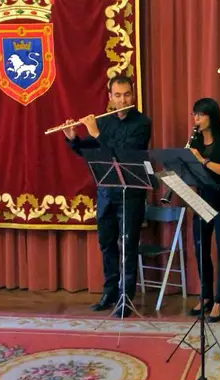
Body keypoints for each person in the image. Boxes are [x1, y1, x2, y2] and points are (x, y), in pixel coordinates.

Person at [63, 75, 152, 318]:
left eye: (127, 95)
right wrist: (74, 140)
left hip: (131, 194)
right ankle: (110, 292)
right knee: (106, 244)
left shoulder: (142, 123)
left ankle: (126, 297)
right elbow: (93, 153)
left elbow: (123, 154)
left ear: (132, 95)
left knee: (128, 246)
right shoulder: (105, 122)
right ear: (110, 97)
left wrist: (96, 132)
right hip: (105, 192)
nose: (123, 100)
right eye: (118, 95)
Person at [185, 98, 220, 322]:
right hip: (202, 200)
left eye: (201, 114)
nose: (196, 119)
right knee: (201, 249)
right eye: (194, 114)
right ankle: (206, 296)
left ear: (211, 117)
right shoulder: (195, 141)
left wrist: (203, 161)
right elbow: (189, 170)